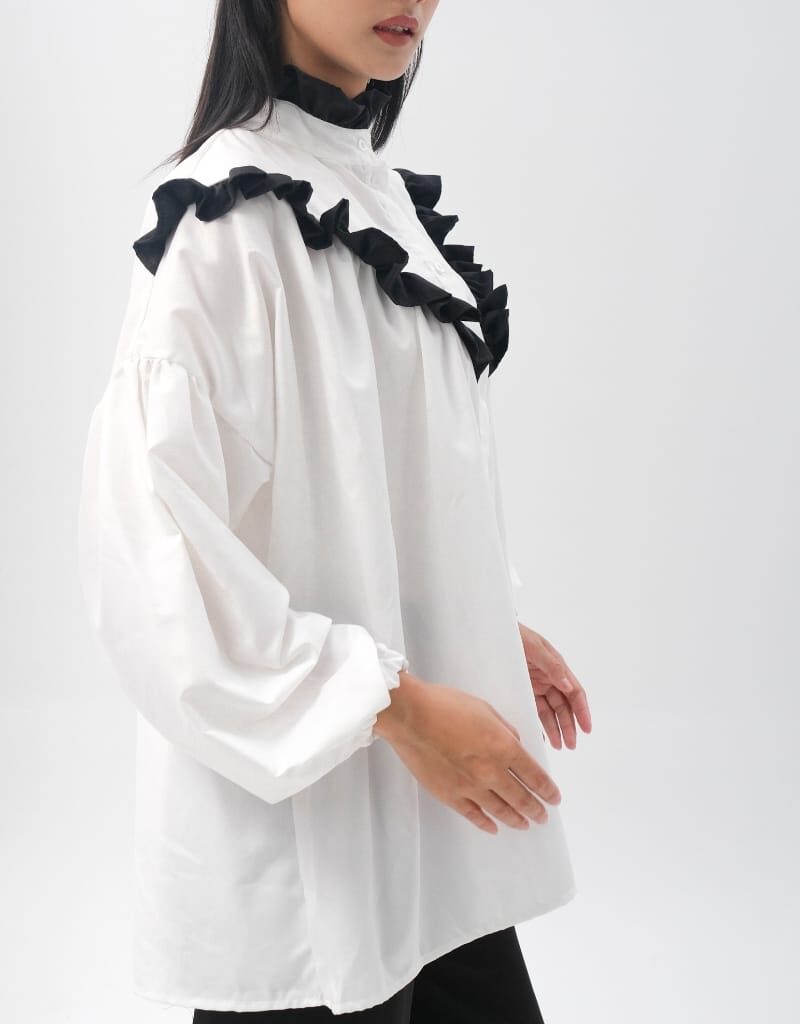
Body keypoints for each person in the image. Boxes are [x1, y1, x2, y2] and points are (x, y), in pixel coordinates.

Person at [77, 1, 593, 1019]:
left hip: (428, 828)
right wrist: (394, 706)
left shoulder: (371, 196)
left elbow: (376, 484)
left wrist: (479, 622)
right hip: (304, 858)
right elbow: (154, 560)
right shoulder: (227, 224)